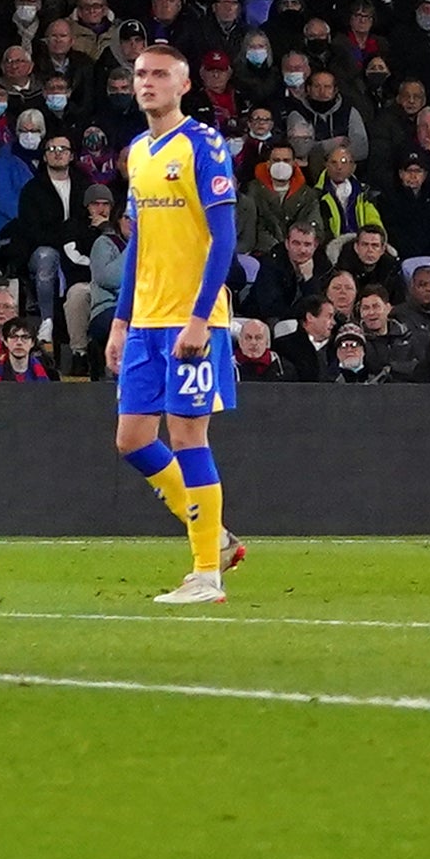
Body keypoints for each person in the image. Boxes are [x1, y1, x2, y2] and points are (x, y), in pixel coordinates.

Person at [112, 37, 251, 605]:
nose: (147, 83)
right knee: (132, 439)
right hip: (145, 319)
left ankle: (205, 575)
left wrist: (200, 317)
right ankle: (214, 536)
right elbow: (139, 243)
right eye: (141, 74)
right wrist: (121, 320)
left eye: (160, 75)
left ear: (184, 84)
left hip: (193, 319)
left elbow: (225, 238)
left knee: (188, 434)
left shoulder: (203, 145)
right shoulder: (138, 152)